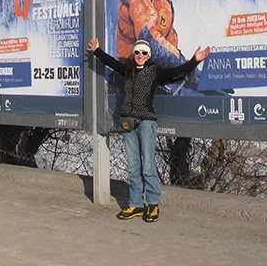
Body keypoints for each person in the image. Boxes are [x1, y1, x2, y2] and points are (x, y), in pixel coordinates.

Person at [87, 36, 210, 222]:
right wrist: (97, 51)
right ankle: (135, 204)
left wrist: (195, 60)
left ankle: (153, 204)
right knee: (133, 166)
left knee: (148, 166)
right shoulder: (127, 70)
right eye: (137, 52)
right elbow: (111, 63)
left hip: (146, 123)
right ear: (134, 54)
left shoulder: (155, 72)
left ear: (149, 55)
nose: (140, 55)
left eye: (144, 53)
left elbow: (177, 72)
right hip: (128, 122)